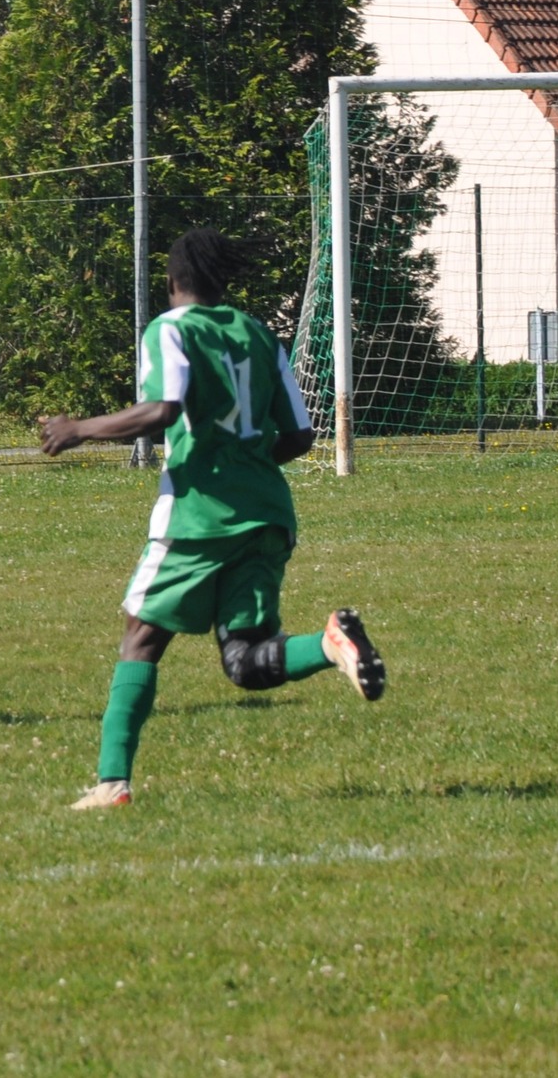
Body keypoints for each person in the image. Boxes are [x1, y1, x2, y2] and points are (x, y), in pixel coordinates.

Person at [38, 228, 385, 810]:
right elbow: (302, 434)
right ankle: (330, 647)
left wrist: (79, 430)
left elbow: (162, 408)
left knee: (141, 637)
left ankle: (111, 783)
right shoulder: (259, 335)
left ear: (172, 282)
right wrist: (246, 463)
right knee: (246, 661)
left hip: (198, 519)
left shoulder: (169, 330)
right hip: (267, 515)